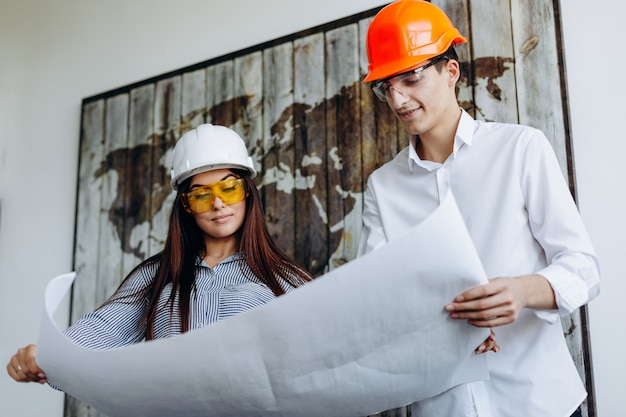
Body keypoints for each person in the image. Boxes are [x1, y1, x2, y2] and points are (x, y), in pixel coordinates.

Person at [357, 1, 600, 416]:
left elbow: (583, 267)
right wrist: (438, 334)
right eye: (386, 86)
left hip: (538, 401)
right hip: (443, 406)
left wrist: (523, 291)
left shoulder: (521, 148)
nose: (398, 99)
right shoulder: (383, 187)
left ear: (450, 71)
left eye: (410, 78)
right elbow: (375, 303)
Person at [7, 123, 312, 384]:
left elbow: (318, 358)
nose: (218, 204)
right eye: (201, 195)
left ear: (247, 193)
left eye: (229, 188)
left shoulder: (287, 278)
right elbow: (101, 330)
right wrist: (44, 356)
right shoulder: (157, 275)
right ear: (186, 206)